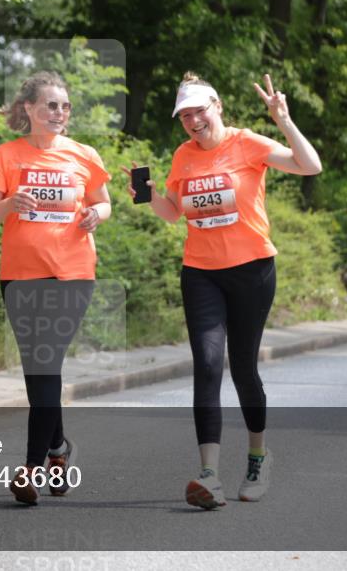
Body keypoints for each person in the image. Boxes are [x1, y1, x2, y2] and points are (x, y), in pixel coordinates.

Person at [124, 72, 321, 509]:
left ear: (217, 107)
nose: (194, 121)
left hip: (252, 270)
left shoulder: (247, 142)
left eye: (200, 111)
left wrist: (284, 121)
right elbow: (174, 213)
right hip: (202, 272)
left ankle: (257, 456)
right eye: (185, 115)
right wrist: (148, 196)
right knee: (208, 364)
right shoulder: (183, 156)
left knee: (244, 368)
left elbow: (310, 165)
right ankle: (208, 475)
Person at [0, 71, 112, 505]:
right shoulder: (6, 156)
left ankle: (30, 467)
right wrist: (9, 203)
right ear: (29, 109)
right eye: (51, 105)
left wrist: (98, 215)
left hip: (72, 274)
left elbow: (103, 201)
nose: (60, 113)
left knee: (46, 364)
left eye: (65, 106)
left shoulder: (83, 154)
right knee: (38, 369)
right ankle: (58, 450)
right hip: (19, 275)